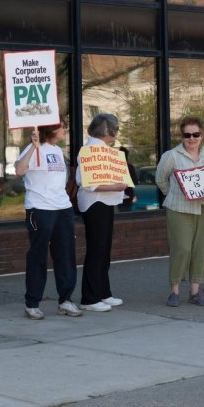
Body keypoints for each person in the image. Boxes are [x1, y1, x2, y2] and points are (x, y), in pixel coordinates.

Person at [16, 121, 81, 320]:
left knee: (66, 254)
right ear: (51, 130)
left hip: (62, 208)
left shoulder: (58, 151)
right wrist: (33, 148)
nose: (65, 130)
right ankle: (32, 303)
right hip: (40, 208)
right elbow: (19, 171)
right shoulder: (33, 148)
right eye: (62, 127)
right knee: (38, 256)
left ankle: (65, 300)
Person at [155, 116, 204, 307]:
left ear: (202, 135)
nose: (191, 138)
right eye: (187, 135)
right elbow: (160, 180)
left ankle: (195, 292)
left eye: (195, 134)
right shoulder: (171, 156)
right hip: (179, 209)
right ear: (181, 136)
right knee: (182, 249)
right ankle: (174, 291)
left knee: (201, 250)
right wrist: (173, 194)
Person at [76, 113, 127, 312]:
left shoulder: (104, 150)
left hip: (105, 203)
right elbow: (89, 183)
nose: (116, 132)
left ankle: (103, 292)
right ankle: (89, 298)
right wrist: (115, 186)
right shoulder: (89, 150)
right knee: (97, 249)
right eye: (115, 128)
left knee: (103, 250)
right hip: (95, 203)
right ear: (107, 130)